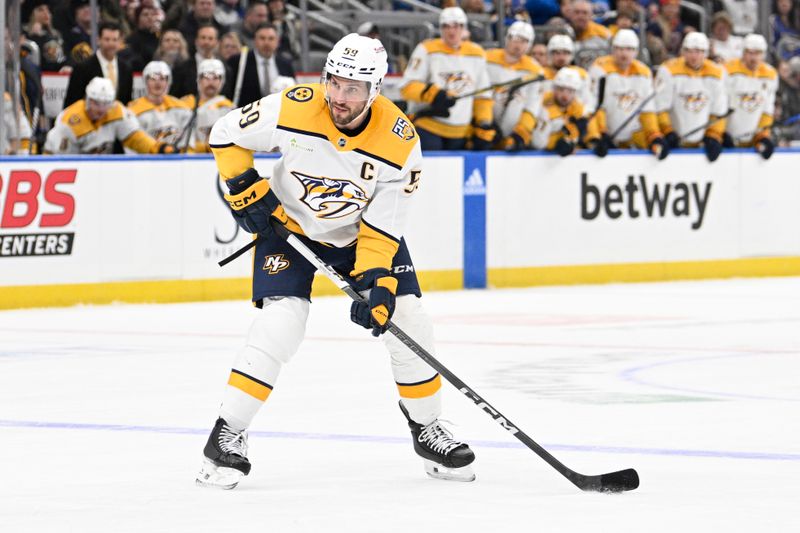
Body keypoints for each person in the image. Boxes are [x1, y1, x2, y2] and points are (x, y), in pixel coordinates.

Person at [196, 33, 475, 490]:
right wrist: (245, 187)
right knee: (281, 323)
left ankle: (427, 429)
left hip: (360, 237)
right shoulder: (293, 106)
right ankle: (227, 434)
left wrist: (377, 283)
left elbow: (383, 228)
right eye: (335, 83)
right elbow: (224, 134)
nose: (340, 97)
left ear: (375, 89)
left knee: (408, 319)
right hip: (289, 231)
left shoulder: (401, 142)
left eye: (353, 88)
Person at [400, 7, 495, 150]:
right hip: (428, 127)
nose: (451, 31)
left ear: (463, 28)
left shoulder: (477, 54)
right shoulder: (427, 49)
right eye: (446, 26)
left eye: (456, 26)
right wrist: (434, 94)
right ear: (440, 28)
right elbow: (407, 87)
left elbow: (482, 96)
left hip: (462, 131)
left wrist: (483, 122)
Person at [44, 77, 177, 155]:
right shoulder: (69, 122)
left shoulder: (116, 110)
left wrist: (158, 148)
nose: (101, 109)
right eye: (97, 103)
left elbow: (135, 138)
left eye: (106, 103)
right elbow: (61, 160)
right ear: (88, 100)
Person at [588, 29, 668, 159]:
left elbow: (647, 111)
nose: (624, 54)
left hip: (633, 138)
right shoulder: (600, 69)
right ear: (613, 50)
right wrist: (600, 133)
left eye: (629, 49)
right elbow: (596, 107)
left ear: (636, 52)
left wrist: (654, 135)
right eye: (620, 49)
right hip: (606, 134)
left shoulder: (644, 72)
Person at [655, 32, 728, 162]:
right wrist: (667, 131)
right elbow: (660, 108)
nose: (694, 56)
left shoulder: (717, 73)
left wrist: (714, 135)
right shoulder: (668, 69)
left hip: (700, 145)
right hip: (673, 142)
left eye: (698, 51)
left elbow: (718, 112)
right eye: (689, 51)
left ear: (706, 53)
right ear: (683, 51)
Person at [486, 21, 544, 151]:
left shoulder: (535, 70)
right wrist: (484, 121)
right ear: (507, 38)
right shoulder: (487, 58)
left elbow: (532, 107)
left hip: (511, 131)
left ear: (529, 45)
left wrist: (520, 132)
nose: (518, 45)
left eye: (524, 41)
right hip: (486, 125)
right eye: (515, 39)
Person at [724, 34, 779, 159]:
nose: (754, 57)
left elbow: (767, 110)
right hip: (727, 138)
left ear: (764, 54)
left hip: (752, 141)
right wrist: (719, 133)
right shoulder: (728, 70)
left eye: (758, 53)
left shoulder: (770, 74)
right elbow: (720, 107)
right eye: (750, 53)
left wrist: (763, 136)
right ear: (743, 53)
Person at [224, 22, 296, 107]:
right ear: (255, 40)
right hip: (247, 116)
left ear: (277, 42)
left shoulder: (285, 64)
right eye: (262, 38)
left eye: (271, 39)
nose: (266, 43)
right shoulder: (238, 61)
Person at [63, 21, 133, 107]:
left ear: (120, 42)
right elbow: (71, 103)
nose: (111, 44)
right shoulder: (82, 68)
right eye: (107, 39)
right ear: (98, 40)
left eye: (114, 40)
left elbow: (127, 102)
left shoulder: (126, 68)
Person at [127, 61, 194, 150]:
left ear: (168, 81)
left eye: (162, 78)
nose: (157, 83)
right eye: (153, 78)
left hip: (177, 160)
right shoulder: (133, 110)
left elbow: (188, 143)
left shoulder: (181, 108)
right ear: (145, 81)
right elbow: (133, 146)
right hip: (146, 161)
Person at [532, 67, 599, 154]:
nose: (565, 95)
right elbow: (537, 143)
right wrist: (556, 143)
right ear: (554, 89)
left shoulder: (576, 106)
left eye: (570, 91)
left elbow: (585, 128)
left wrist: (594, 141)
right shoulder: (542, 104)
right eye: (561, 89)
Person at [181, 59, 234, 153]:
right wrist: (204, 147)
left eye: (216, 77)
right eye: (206, 77)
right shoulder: (185, 104)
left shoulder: (229, 108)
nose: (211, 82)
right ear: (199, 80)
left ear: (222, 81)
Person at [542, 34, 595, 114]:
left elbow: (589, 103)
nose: (561, 57)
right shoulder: (541, 74)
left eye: (566, 53)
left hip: (574, 119)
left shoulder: (582, 75)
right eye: (557, 53)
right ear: (550, 54)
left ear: (572, 55)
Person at [171, 24, 226, 98]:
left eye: (210, 38)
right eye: (203, 38)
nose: (206, 42)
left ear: (217, 42)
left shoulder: (226, 69)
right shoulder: (181, 69)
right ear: (196, 41)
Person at [125, 3, 162, 71]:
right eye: (145, 14)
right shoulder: (132, 39)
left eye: (152, 14)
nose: (150, 17)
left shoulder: (159, 36)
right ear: (138, 18)